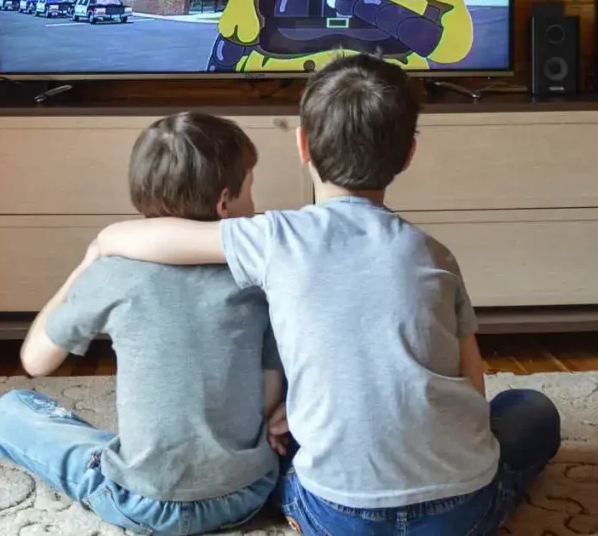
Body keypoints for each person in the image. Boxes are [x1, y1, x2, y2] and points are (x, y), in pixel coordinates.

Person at [88, 54, 561, 535]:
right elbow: (471, 387)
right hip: (459, 513)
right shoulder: (435, 254)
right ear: (408, 154)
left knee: (278, 453)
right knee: (532, 409)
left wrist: (106, 241)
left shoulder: (275, 238)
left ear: (302, 145)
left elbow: (163, 237)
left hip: (334, 517)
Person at [0, 112, 285, 536]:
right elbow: (268, 394)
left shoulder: (114, 273)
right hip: (248, 491)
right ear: (224, 202)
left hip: (143, 502)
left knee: (12, 409)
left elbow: (36, 360)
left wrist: (89, 264)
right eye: (251, 187)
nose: (254, 201)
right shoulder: (257, 278)